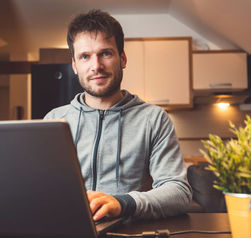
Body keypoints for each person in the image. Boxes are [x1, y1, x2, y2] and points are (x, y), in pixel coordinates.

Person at [44, 9, 192, 221]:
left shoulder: (154, 118)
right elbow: (42, 188)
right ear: (75, 66)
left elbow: (179, 192)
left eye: (105, 53)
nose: (96, 66)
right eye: (85, 57)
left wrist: (123, 203)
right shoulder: (54, 120)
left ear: (122, 58)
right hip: (68, 233)